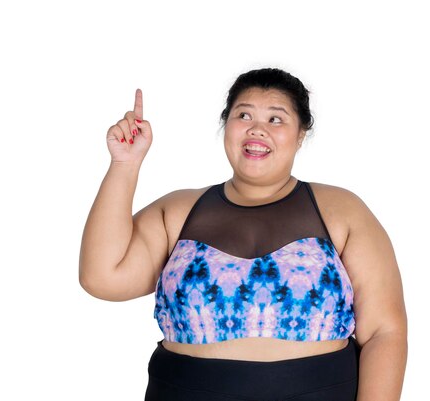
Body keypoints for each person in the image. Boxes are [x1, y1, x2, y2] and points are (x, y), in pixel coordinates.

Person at [79, 68, 408, 401]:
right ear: (226, 125)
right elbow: (102, 277)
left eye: (276, 119)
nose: (257, 129)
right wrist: (125, 164)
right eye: (243, 114)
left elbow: (385, 332)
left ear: (300, 134)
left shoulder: (344, 211)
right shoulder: (177, 212)